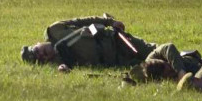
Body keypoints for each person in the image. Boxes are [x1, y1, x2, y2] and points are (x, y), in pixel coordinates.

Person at [20, 13, 155, 71]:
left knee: (155, 50)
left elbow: (82, 21)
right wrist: (63, 69)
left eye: (37, 51)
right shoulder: (59, 61)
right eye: (41, 59)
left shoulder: (54, 29)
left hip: (115, 39)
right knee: (154, 66)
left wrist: (110, 22)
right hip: (116, 60)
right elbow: (63, 69)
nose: (42, 54)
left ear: (37, 43)